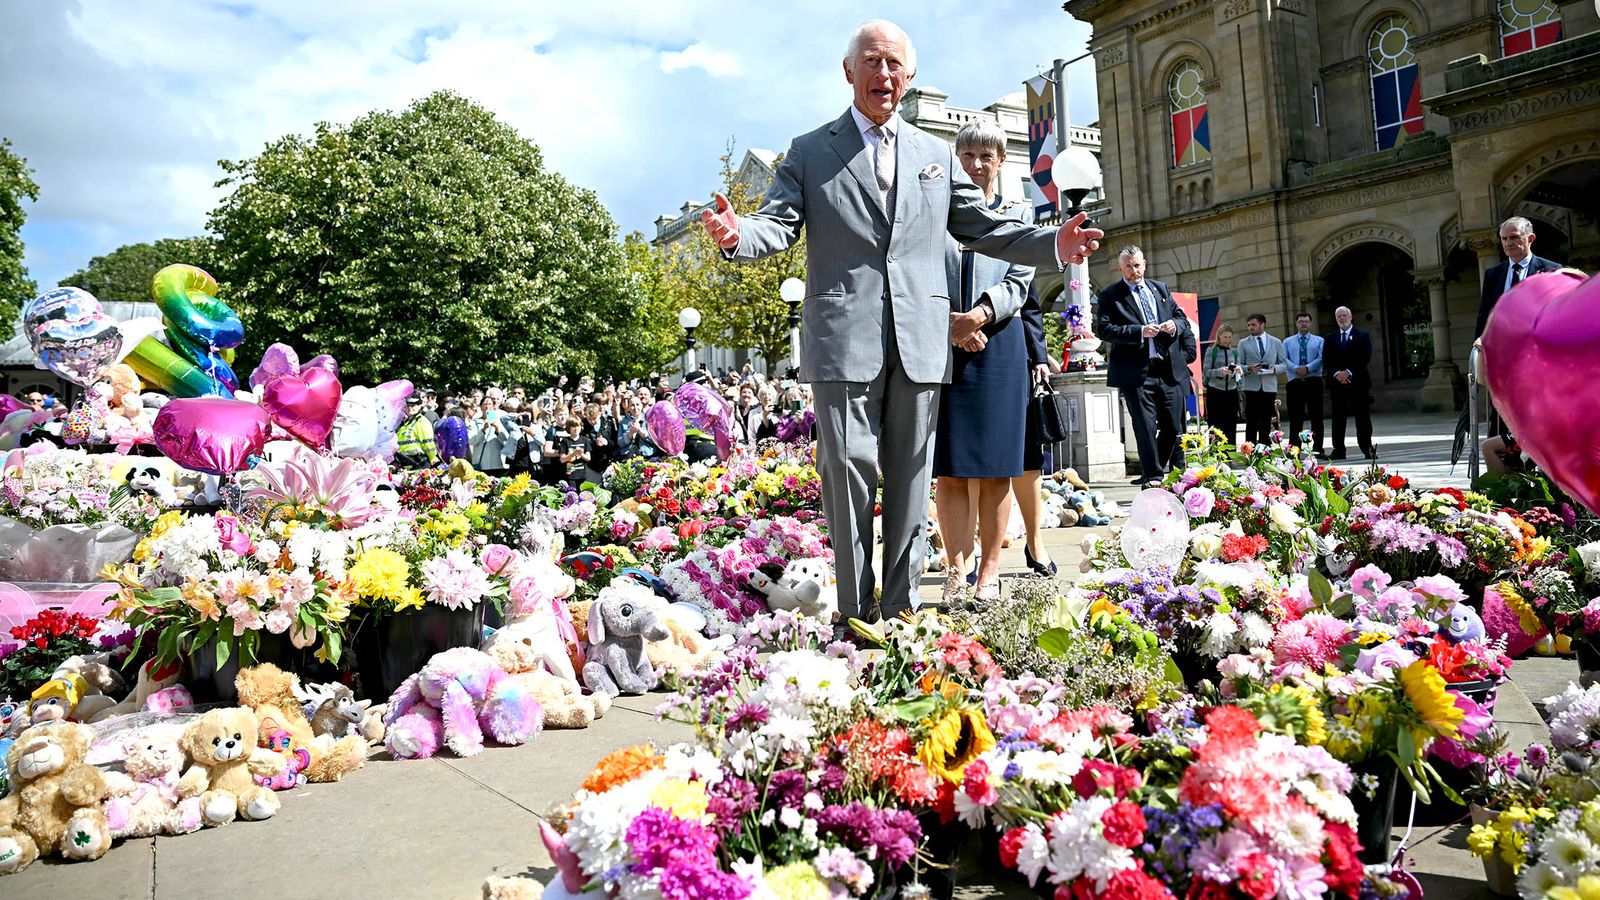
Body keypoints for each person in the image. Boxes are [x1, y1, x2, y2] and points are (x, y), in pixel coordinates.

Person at [699, 19, 1103, 625]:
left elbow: (986, 227)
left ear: (908, 76)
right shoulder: (811, 151)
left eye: (894, 64)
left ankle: (900, 607)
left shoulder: (935, 155)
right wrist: (737, 236)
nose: (882, 74)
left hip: (919, 339)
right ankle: (854, 609)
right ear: (848, 71)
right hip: (843, 339)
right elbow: (776, 224)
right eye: (870, 62)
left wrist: (1053, 244)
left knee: (914, 479)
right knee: (849, 473)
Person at [932, 120, 1038, 605]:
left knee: (997, 467)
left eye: (986, 156)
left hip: (999, 345)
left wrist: (979, 315)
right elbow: (918, 270)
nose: (976, 165)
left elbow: (1020, 279)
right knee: (950, 468)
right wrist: (950, 323)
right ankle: (956, 567)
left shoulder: (1019, 212)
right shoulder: (936, 213)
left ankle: (989, 572)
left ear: (1001, 162)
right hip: (942, 341)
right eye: (968, 156)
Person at [1096, 246, 1195, 487]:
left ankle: (1155, 466)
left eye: (1137, 265)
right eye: (1128, 266)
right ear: (1120, 268)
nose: (1134, 270)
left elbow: (1182, 318)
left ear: (1145, 264)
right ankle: (1153, 478)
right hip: (1137, 374)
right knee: (1145, 427)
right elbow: (1104, 329)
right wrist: (1139, 332)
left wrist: (1173, 324)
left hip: (1168, 370)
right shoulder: (1111, 296)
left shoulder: (1160, 289)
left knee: (1174, 427)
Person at [1476, 216, 1561, 338]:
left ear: (1530, 239)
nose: (1508, 243)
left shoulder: (1551, 270)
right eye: (1504, 238)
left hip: (1538, 343)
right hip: (1502, 345)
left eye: (1514, 237)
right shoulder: (1493, 274)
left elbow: (1557, 312)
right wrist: (1479, 346)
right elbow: (1484, 315)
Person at [1323, 305, 1376, 460]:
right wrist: (1337, 373)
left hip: (1358, 383)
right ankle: (1339, 449)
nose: (1342, 318)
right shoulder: (1330, 338)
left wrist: (1349, 372)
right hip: (1337, 384)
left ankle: (1367, 448)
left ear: (1351, 317)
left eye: (1344, 315)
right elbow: (1326, 360)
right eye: (1339, 316)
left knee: (1362, 417)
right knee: (1338, 417)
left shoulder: (1362, 336)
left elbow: (1364, 358)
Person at [1238, 314, 1286, 447]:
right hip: (1251, 386)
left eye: (1253, 325)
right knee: (1252, 421)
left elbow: (1284, 364)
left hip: (1269, 386)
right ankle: (1250, 450)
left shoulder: (1276, 342)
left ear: (1262, 325)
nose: (1250, 328)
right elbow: (1238, 365)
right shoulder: (1243, 343)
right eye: (1249, 325)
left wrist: (1274, 368)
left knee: (1266, 420)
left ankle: (1265, 449)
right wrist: (1248, 368)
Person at [1283, 312, 1325, 455]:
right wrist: (1296, 368)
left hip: (1313, 381)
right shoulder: (1287, 342)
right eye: (1301, 321)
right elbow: (1284, 359)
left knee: (1317, 416)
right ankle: (1295, 449)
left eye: (1306, 321)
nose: (1304, 324)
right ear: (1296, 323)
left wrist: (1307, 368)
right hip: (1295, 382)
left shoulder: (1319, 341)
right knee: (1295, 418)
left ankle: (1318, 448)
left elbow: (1321, 358)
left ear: (1310, 323)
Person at [1202, 324, 1243, 445]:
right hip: (1215, 391)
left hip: (1231, 391)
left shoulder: (1234, 352)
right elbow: (1206, 372)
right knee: (1215, 424)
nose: (1227, 340)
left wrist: (1237, 370)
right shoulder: (1211, 351)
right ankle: (1215, 453)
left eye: (1229, 337)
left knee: (1231, 424)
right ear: (1218, 337)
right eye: (1224, 337)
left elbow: (1239, 369)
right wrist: (1220, 371)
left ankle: (1230, 453)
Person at [394, 396, 438, 469]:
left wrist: (432, 457)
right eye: (408, 405)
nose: (410, 408)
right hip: (404, 463)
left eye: (413, 405)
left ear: (420, 406)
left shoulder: (422, 422)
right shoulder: (405, 423)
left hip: (419, 463)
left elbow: (428, 443)